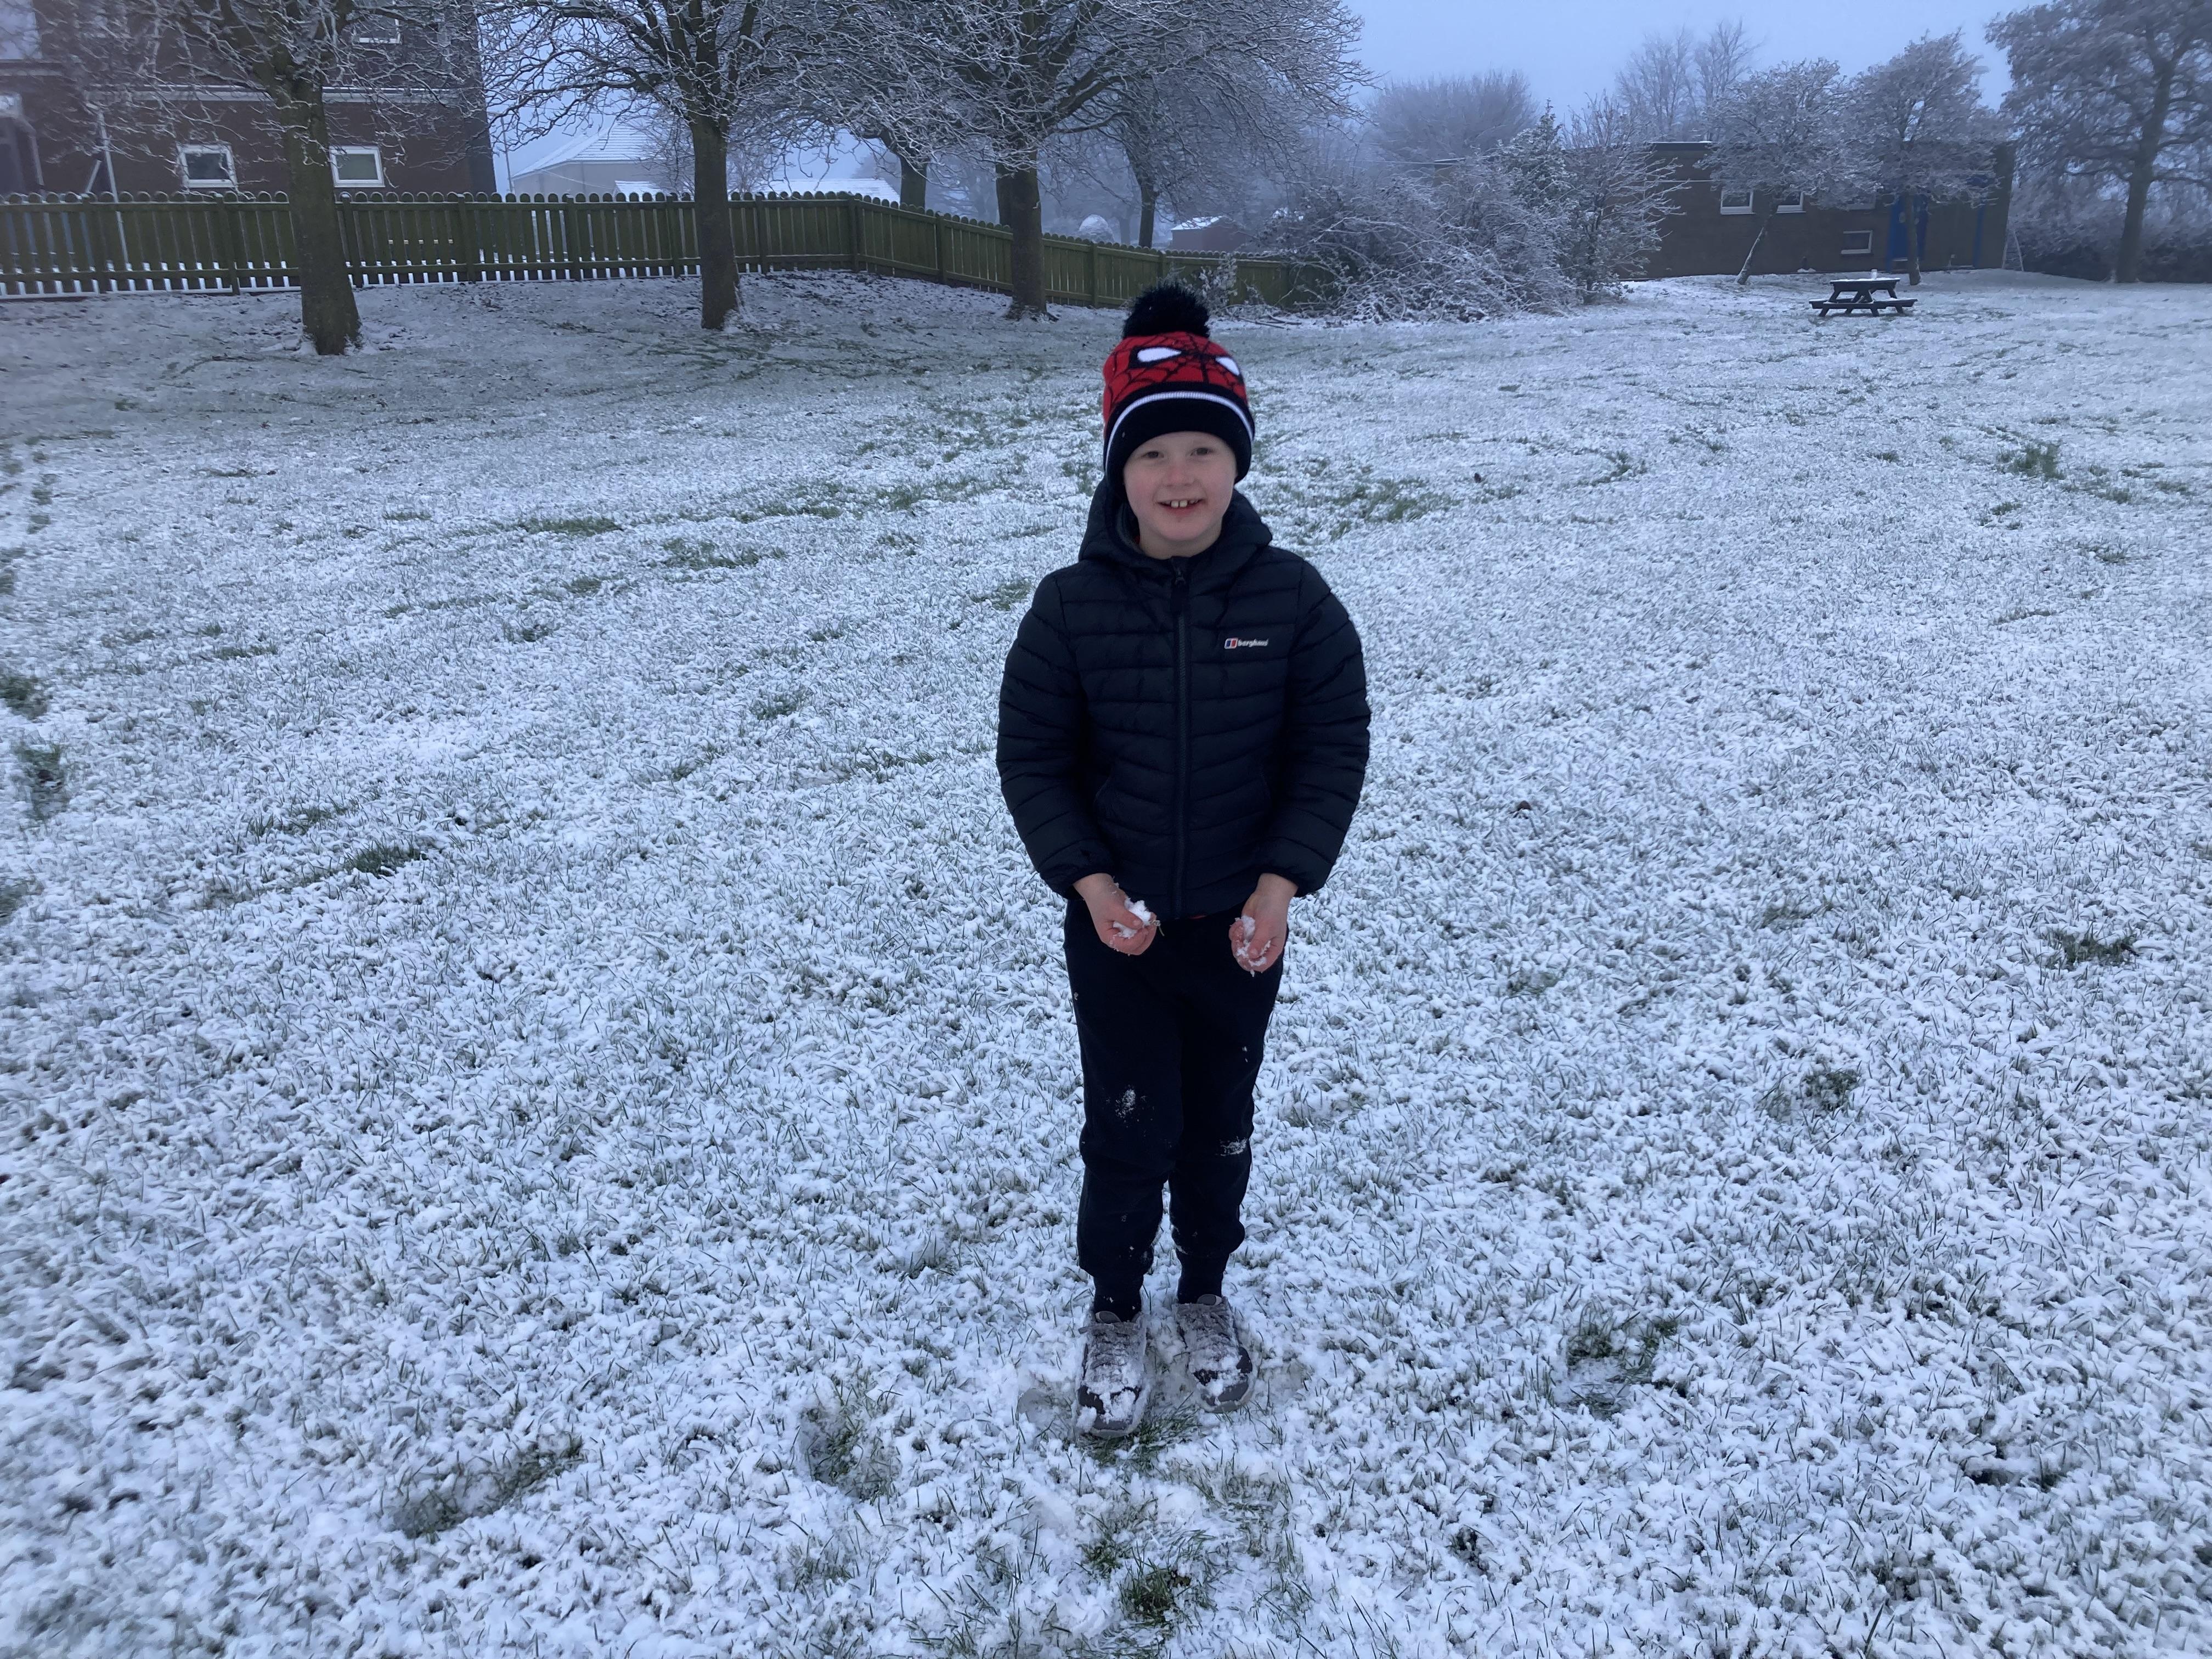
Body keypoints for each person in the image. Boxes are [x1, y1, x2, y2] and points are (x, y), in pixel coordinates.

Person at [996, 283, 1370, 1438]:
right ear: (1120, 470)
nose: (1179, 476)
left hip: (1240, 928)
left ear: (1237, 461)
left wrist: (1281, 884)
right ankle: (1116, 1300)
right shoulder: (1068, 609)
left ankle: (1203, 1287)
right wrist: (1091, 883)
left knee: (1218, 1117)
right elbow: (1033, 759)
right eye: (1152, 452)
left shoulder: (1294, 599)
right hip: (1121, 928)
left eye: (1203, 448)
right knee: (1129, 1118)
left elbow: (1331, 744)